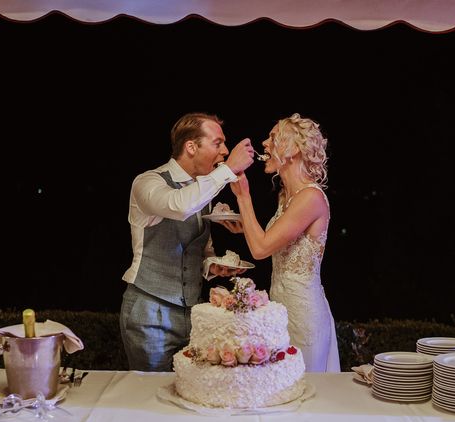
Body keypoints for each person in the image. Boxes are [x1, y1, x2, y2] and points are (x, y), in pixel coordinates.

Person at [120, 112, 254, 371]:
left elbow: (200, 250)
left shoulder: (203, 191)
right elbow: (179, 206)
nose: (225, 151)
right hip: (150, 313)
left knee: (189, 393)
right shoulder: (148, 182)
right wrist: (228, 170)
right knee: (151, 396)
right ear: (191, 147)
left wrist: (212, 266)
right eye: (218, 143)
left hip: (193, 314)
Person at [225, 113, 340, 372]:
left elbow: (261, 248)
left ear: (295, 149)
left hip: (303, 314)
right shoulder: (286, 197)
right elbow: (276, 242)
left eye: (274, 137)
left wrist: (243, 196)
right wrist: (244, 227)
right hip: (280, 311)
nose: (265, 143)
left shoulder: (311, 198)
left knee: (304, 392)